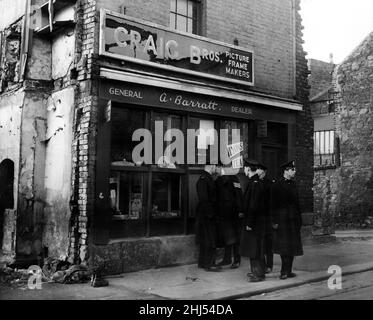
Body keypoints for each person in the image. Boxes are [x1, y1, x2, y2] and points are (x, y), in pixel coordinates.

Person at [271, 160, 303, 280]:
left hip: (293, 220)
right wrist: (274, 221)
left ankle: (288, 271)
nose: (294, 172)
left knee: (292, 246)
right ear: (286, 171)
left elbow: (297, 203)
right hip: (282, 220)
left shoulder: (293, 184)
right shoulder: (277, 185)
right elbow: (273, 204)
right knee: (284, 247)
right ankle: (284, 272)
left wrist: (299, 219)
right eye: (292, 170)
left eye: (294, 170)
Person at [240, 159, 266, 282]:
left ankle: (258, 274)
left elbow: (253, 205)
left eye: (244, 168)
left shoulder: (254, 183)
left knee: (254, 248)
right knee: (255, 248)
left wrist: (249, 223)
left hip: (254, 223)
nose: (244, 170)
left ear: (248, 169)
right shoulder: (255, 182)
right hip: (257, 222)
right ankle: (257, 272)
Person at [215, 165, 244, 269]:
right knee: (226, 237)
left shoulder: (233, 178)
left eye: (218, 167)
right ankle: (226, 259)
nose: (216, 170)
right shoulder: (218, 180)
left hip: (234, 213)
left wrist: (240, 210)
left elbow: (239, 194)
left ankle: (237, 260)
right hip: (223, 213)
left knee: (235, 238)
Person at [196, 164, 221, 272]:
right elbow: (204, 199)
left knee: (206, 239)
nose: (216, 168)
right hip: (207, 215)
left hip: (207, 214)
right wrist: (211, 214)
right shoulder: (204, 179)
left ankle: (203, 263)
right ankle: (209, 263)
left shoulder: (207, 178)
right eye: (215, 166)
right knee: (209, 239)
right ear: (211, 166)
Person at [257, 163, 274, 274]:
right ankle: (261, 265)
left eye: (261, 172)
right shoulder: (256, 183)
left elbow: (272, 202)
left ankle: (269, 265)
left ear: (265, 172)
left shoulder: (270, 183)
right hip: (259, 218)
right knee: (260, 243)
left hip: (267, 217)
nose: (260, 174)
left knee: (268, 244)